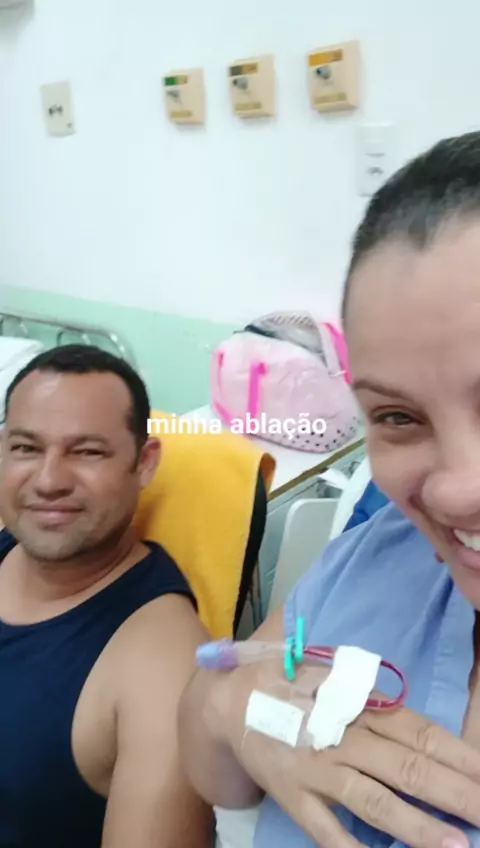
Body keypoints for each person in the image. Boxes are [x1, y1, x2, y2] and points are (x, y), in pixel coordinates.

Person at [179, 130, 480, 848]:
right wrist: (236, 708)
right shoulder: (373, 561)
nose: (457, 490)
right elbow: (211, 761)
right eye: (398, 416)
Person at [0, 344, 213, 847]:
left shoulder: (163, 671)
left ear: (144, 463)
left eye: (88, 452)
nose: (49, 481)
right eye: (27, 448)